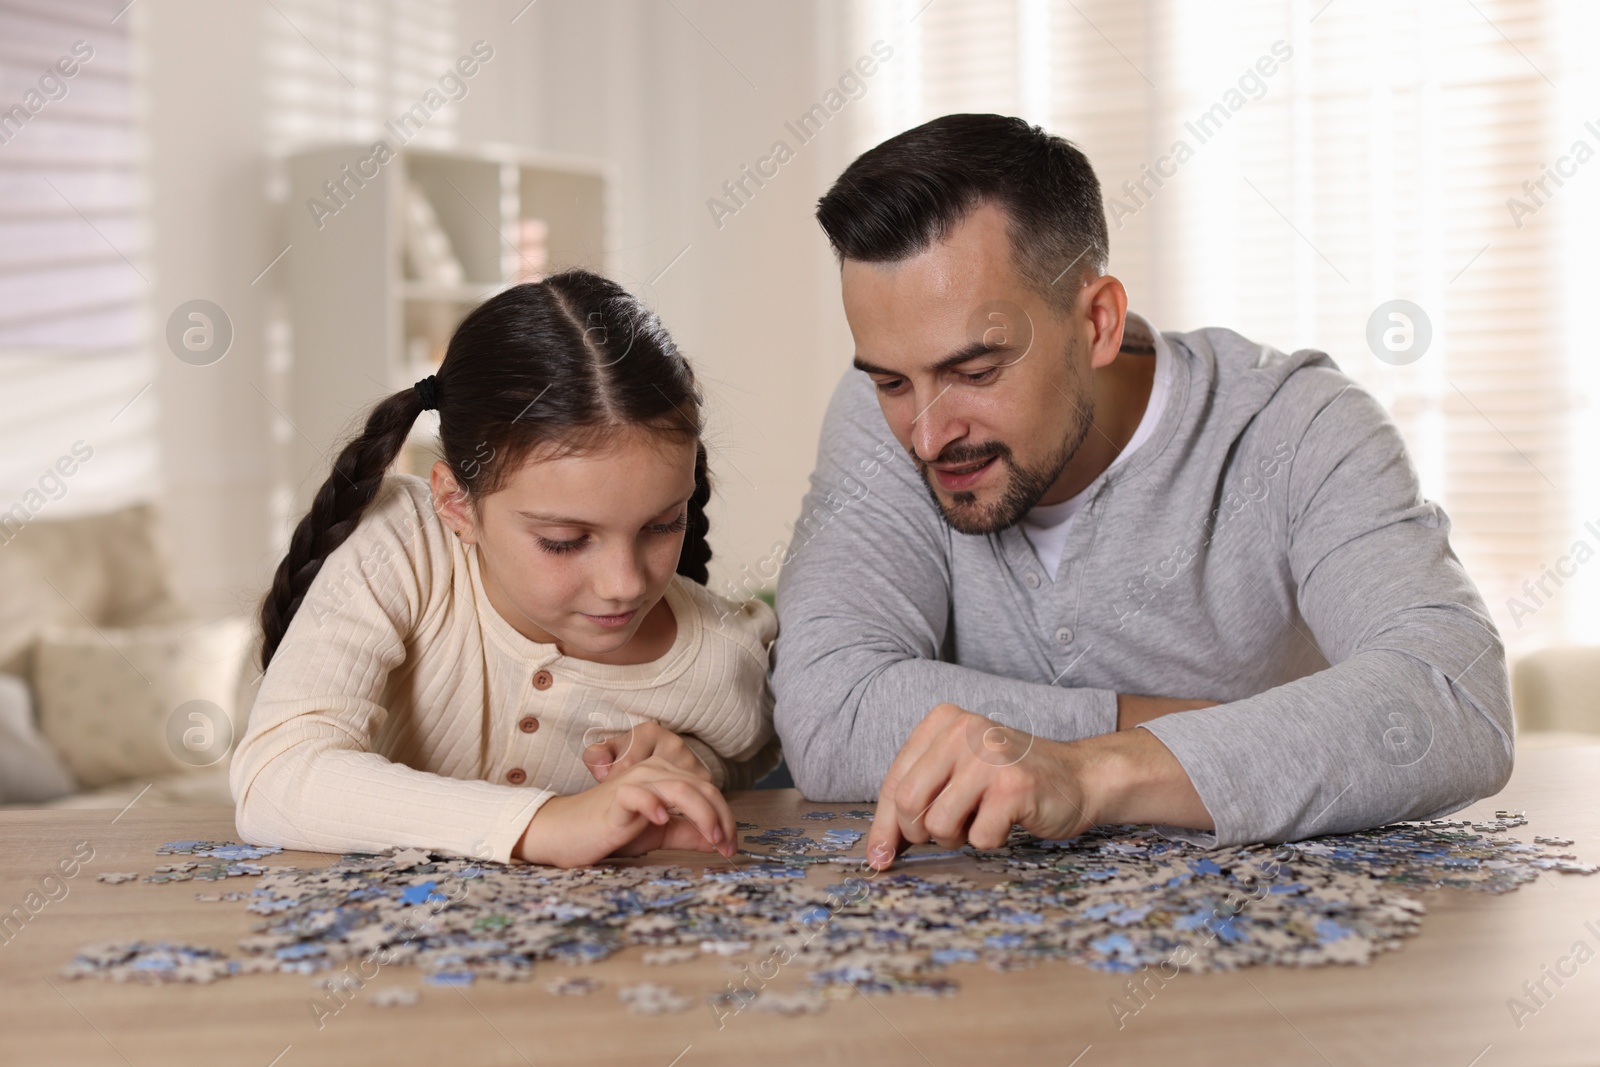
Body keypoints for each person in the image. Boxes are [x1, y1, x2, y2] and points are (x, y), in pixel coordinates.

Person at [771, 114, 1513, 869]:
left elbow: (1454, 699)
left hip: (1266, 961)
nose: (927, 437)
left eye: (976, 372)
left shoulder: (1298, 427)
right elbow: (830, 714)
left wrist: (1093, 769)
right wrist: (1222, 729)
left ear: (1096, 322)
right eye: (894, 381)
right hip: (985, 962)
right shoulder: (874, 419)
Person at [233, 270, 778, 868]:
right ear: (456, 504)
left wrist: (697, 772)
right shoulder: (404, 544)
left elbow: (754, 772)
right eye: (565, 540)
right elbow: (277, 778)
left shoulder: (726, 657)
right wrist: (547, 823)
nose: (624, 583)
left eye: (662, 524)